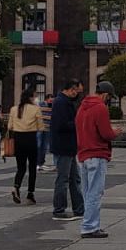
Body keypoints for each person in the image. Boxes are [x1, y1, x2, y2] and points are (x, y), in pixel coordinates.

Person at [74, 81, 117, 239]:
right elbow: (106, 133)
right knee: (95, 192)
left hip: (83, 154)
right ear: (105, 94)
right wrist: (115, 132)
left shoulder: (82, 107)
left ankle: (88, 223)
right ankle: (90, 226)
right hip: (97, 153)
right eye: (109, 97)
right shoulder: (100, 108)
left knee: (87, 192)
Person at [51, 80, 85, 222]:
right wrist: (77, 123)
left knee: (74, 179)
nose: (77, 94)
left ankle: (79, 208)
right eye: (77, 91)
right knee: (63, 179)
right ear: (71, 89)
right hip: (63, 146)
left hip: (69, 147)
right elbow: (61, 125)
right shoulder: (60, 103)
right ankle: (59, 209)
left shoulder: (65, 102)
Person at [9, 87, 43, 204]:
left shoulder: (14, 109)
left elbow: (10, 126)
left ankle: (16, 186)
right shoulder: (35, 109)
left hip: (18, 139)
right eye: (35, 96)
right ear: (31, 97)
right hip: (30, 138)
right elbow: (40, 126)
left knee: (21, 167)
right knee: (32, 167)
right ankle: (30, 193)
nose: (36, 98)